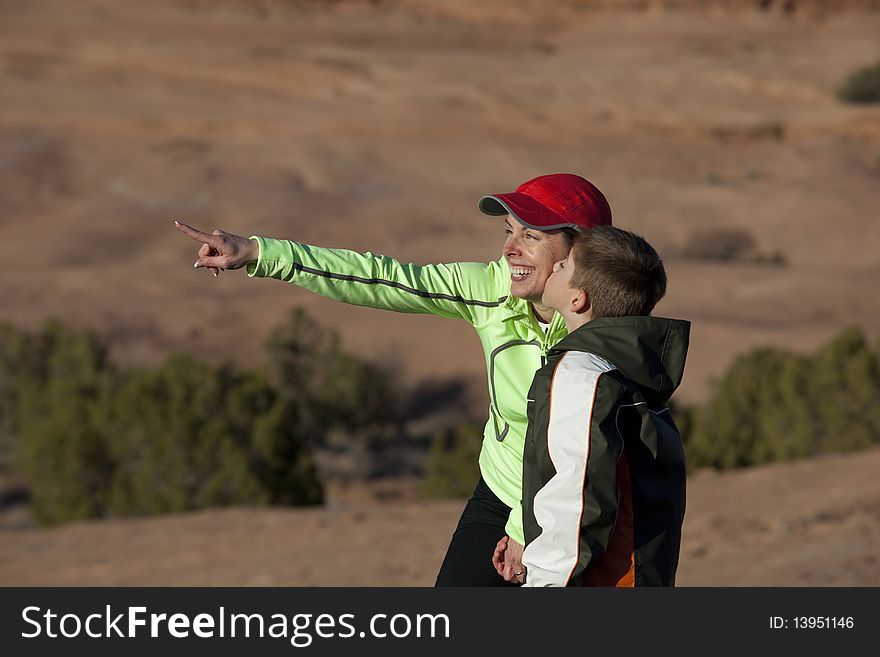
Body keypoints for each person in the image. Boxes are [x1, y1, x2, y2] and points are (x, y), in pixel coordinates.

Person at [174, 173, 613, 586]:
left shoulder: (611, 325)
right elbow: (384, 278)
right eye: (508, 232)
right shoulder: (490, 290)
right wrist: (259, 253)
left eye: (531, 236)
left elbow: (583, 454)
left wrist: (525, 529)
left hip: (572, 509)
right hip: (500, 494)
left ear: (581, 254)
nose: (509, 249)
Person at [492, 226, 689, 586]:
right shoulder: (629, 370)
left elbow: (577, 503)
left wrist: (546, 583)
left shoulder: (581, 374)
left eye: (563, 266)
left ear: (578, 299)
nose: (552, 268)